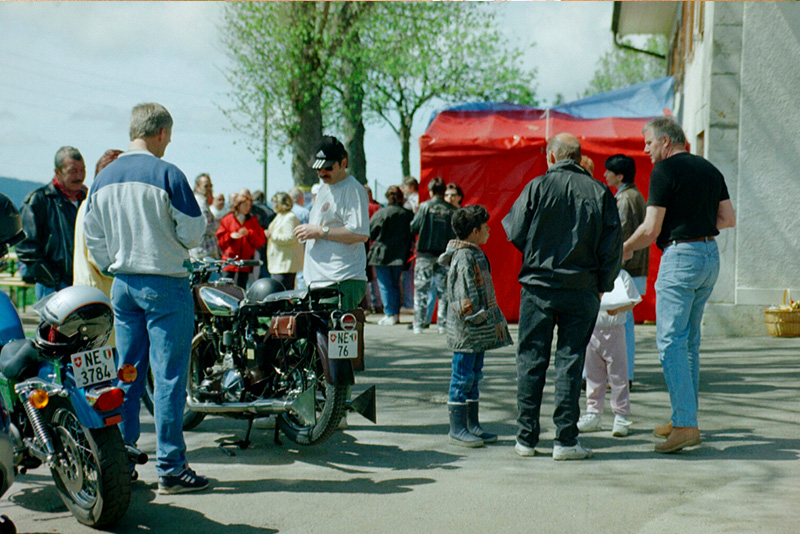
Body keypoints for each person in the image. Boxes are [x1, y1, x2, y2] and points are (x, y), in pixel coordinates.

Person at [83, 102, 209, 493]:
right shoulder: (168, 174)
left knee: (128, 372)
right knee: (169, 377)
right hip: (165, 284)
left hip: (123, 284)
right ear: (159, 132)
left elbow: (93, 237)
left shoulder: (104, 178)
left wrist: (114, 265)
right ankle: (171, 466)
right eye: (168, 136)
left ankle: (123, 455)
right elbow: (191, 233)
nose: (168, 143)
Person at [503, 132, 621, 461]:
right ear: (579, 157)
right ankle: (565, 440)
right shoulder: (600, 191)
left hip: (538, 286)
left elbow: (514, 231)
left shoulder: (536, 187)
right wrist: (603, 283)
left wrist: (537, 254)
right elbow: (613, 247)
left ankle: (526, 437)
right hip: (582, 287)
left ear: (551, 157)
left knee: (531, 360)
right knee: (570, 361)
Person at [622, 116, 736, 454]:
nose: (645, 150)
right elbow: (728, 219)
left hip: (681, 256)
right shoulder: (710, 169)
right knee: (689, 343)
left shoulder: (665, 172)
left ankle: (686, 424)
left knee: (670, 341)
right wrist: (696, 224)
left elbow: (650, 229)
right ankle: (683, 415)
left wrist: (623, 249)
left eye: (648, 143)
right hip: (708, 256)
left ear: (666, 142)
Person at [439, 205, 511, 447]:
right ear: (474, 231)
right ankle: (457, 428)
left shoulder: (472, 253)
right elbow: (463, 299)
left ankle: (472, 425)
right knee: (462, 377)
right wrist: (479, 317)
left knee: (474, 376)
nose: (489, 229)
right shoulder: (464, 257)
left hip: (475, 333)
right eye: (485, 226)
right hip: (467, 333)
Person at [294, 135, 369, 310]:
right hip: (322, 281)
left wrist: (320, 231)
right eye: (318, 169)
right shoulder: (324, 188)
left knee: (333, 334)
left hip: (341, 280)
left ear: (343, 163)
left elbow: (360, 233)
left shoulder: (352, 189)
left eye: (327, 168)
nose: (321, 173)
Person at [17, 146, 87, 300]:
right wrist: (46, 275)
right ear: (58, 172)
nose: (79, 176)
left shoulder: (87, 199)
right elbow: (25, 245)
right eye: (72, 171)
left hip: (82, 281)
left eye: (83, 170)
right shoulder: (39, 200)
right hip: (52, 284)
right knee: (51, 325)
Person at [578, 269, 641, 437]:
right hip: (593, 329)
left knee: (618, 375)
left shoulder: (622, 276)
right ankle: (593, 413)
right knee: (593, 375)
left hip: (614, 330)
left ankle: (621, 415)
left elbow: (633, 300)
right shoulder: (590, 273)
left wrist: (619, 307)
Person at [603, 154, 648, 386]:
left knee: (619, 326)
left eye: (608, 171)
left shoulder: (624, 199)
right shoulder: (635, 196)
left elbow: (618, 235)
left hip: (625, 269)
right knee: (624, 325)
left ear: (619, 176)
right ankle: (623, 374)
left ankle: (620, 376)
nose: (604, 175)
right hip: (635, 268)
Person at [73, 149, 122, 300]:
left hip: (91, 290)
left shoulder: (89, 203)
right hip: (98, 292)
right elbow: (97, 256)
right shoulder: (98, 206)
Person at [410, 177, 456, 334]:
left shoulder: (424, 207)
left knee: (421, 290)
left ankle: (418, 324)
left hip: (425, 254)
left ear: (430, 191)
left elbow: (414, 227)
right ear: (443, 192)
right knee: (444, 291)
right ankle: (442, 325)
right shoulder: (452, 210)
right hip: (445, 254)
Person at [368, 186, 414, 326]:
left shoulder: (382, 213)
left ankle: (389, 313)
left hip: (381, 253)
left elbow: (372, 232)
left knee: (385, 285)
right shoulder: (407, 214)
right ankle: (395, 314)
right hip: (400, 254)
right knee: (395, 284)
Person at [217, 188, 267, 288]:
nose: (248, 208)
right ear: (238, 205)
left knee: (241, 290)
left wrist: (249, 233)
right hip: (230, 263)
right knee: (227, 289)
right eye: (245, 205)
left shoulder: (252, 221)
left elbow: (260, 242)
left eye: (249, 205)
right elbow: (220, 243)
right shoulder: (227, 220)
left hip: (244, 264)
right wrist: (230, 236)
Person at [265, 192, 303, 290]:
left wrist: (272, 235)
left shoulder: (289, 217)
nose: (273, 205)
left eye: (275, 202)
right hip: (279, 263)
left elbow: (290, 237)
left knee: (282, 292)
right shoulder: (280, 215)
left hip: (285, 265)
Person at [189, 173, 221, 261]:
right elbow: (205, 226)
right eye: (206, 186)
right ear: (197, 187)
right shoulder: (199, 202)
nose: (209, 189)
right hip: (202, 253)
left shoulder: (203, 202)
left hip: (206, 252)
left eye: (210, 186)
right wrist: (217, 225)